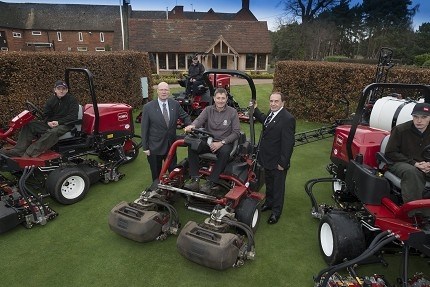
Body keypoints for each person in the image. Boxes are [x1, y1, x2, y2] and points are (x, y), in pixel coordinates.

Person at [0, 80, 79, 158]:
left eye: (64, 89)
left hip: (66, 124)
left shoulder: (72, 100)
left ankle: (30, 153)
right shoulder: (51, 100)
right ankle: (18, 150)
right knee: (29, 125)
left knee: (53, 132)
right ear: (55, 89)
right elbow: (46, 115)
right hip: (51, 123)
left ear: (67, 90)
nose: (61, 91)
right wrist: (48, 122)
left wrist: (58, 122)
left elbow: (73, 116)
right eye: (59, 89)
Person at [183, 87, 240, 194]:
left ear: (227, 99)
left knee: (224, 152)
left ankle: (211, 181)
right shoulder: (208, 110)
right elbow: (199, 120)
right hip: (209, 141)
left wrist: (221, 143)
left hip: (224, 143)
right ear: (214, 98)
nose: (220, 100)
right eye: (218, 98)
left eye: (223, 98)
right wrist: (192, 126)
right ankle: (195, 178)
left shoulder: (232, 112)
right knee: (192, 145)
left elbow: (236, 132)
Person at [252, 92, 296, 224]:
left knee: (278, 188)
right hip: (266, 158)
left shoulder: (288, 119)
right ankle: (269, 203)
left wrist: (282, 163)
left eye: (276, 101)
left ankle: (276, 212)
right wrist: (255, 110)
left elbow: (288, 144)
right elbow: (265, 120)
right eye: (271, 101)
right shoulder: (272, 114)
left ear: (283, 103)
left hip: (278, 162)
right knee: (269, 184)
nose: (273, 104)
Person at [141, 82, 191, 183]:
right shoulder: (148, 107)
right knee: (156, 174)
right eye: (161, 90)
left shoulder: (175, 104)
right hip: (154, 147)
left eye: (166, 90)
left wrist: (189, 125)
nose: (164, 92)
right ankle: (156, 190)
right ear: (157, 91)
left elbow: (185, 116)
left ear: (169, 91)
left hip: (171, 146)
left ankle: (172, 190)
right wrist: (145, 147)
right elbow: (144, 128)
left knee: (173, 172)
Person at [385, 102, 430, 205]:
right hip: (402, 162)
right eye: (416, 117)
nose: (419, 121)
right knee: (413, 173)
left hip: (426, 163)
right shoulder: (400, 130)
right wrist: (415, 163)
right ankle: (415, 213)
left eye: (424, 117)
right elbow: (390, 152)